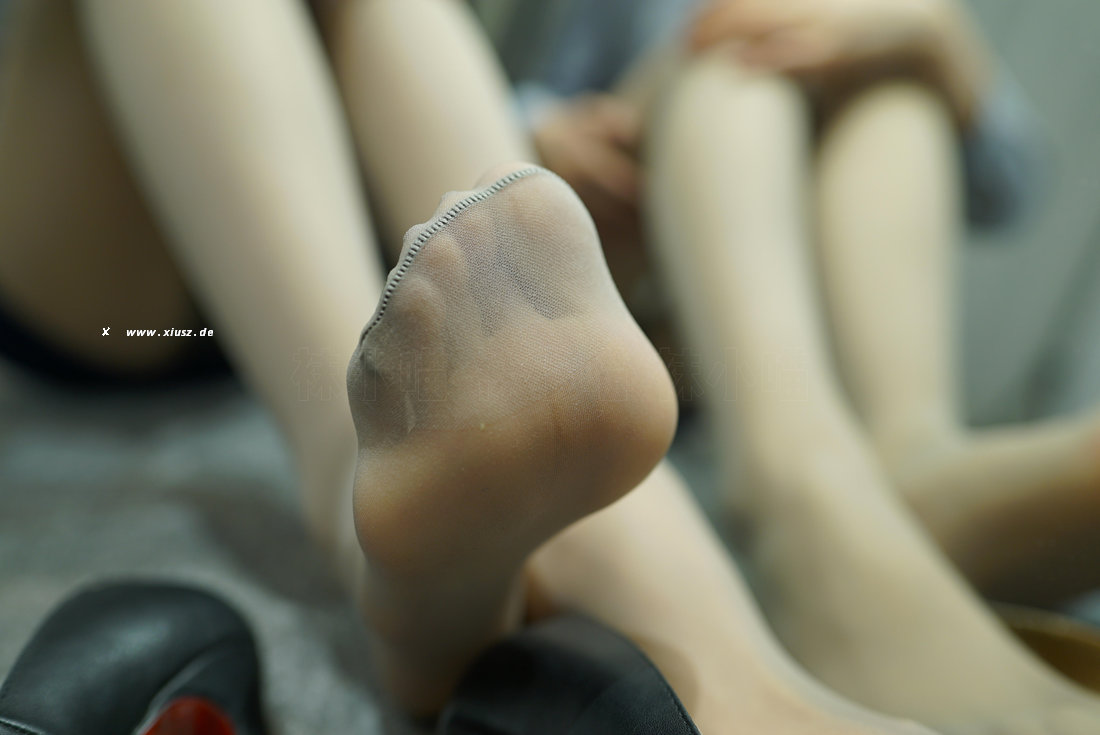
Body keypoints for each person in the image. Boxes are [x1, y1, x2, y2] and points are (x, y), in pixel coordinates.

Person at [0, 2, 1097, 734]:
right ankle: (364, 470)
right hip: (128, 307)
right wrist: (541, 132)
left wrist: (936, 44)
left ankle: (729, 623)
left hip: (366, 252)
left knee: (795, 44)